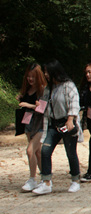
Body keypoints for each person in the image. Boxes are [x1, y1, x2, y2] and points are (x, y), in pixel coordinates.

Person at [32, 60, 82, 195]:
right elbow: (44, 106)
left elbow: (74, 103)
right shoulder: (48, 88)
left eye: (46, 72)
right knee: (45, 151)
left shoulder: (68, 86)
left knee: (70, 153)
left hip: (66, 123)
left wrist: (71, 119)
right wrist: (37, 106)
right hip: (52, 125)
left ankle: (75, 180)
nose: (45, 74)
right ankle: (46, 181)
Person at [17, 63, 47, 192]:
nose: (30, 79)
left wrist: (28, 105)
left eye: (33, 77)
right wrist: (21, 99)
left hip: (39, 124)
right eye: (28, 77)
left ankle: (32, 179)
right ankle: (45, 178)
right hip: (28, 123)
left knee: (30, 150)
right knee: (37, 152)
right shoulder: (26, 90)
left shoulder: (42, 90)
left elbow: (42, 108)